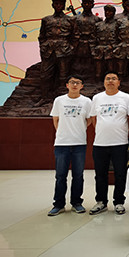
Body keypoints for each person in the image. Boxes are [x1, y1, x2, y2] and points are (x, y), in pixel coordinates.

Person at [89, 71, 129, 215]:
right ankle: (101, 202)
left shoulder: (126, 98)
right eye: (108, 79)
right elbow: (94, 119)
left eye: (114, 79)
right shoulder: (97, 98)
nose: (110, 81)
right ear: (104, 82)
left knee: (120, 174)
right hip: (100, 143)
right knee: (100, 174)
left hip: (120, 143)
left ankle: (119, 202)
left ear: (119, 82)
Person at [48, 74, 93, 216]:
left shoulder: (86, 101)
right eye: (72, 82)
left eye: (78, 83)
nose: (75, 85)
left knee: (78, 175)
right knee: (60, 175)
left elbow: (89, 120)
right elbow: (56, 119)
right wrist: (63, 132)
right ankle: (58, 204)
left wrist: (79, 129)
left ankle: (76, 203)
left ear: (82, 86)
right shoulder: (59, 100)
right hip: (62, 143)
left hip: (79, 143)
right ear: (67, 85)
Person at [38, 0, 79, 103]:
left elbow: (75, 37)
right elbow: (42, 36)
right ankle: (44, 98)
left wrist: (71, 49)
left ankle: (63, 99)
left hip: (64, 50)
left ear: (64, 6)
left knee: (64, 76)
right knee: (45, 75)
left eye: (61, 4)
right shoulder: (46, 20)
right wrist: (43, 47)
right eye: (56, 4)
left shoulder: (71, 20)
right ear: (53, 5)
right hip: (49, 51)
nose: (58, 6)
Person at [74, 0, 102, 76]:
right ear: (82, 4)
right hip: (79, 43)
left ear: (92, 5)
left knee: (91, 64)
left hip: (92, 44)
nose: (87, 5)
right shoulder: (75, 18)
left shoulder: (97, 19)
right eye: (85, 3)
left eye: (89, 3)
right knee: (77, 63)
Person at [93, 4, 119, 80]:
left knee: (111, 72)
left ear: (113, 13)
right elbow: (93, 38)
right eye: (106, 11)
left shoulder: (117, 25)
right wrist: (93, 50)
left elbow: (120, 38)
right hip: (99, 51)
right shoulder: (98, 25)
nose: (107, 13)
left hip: (111, 51)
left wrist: (114, 48)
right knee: (98, 72)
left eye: (110, 11)